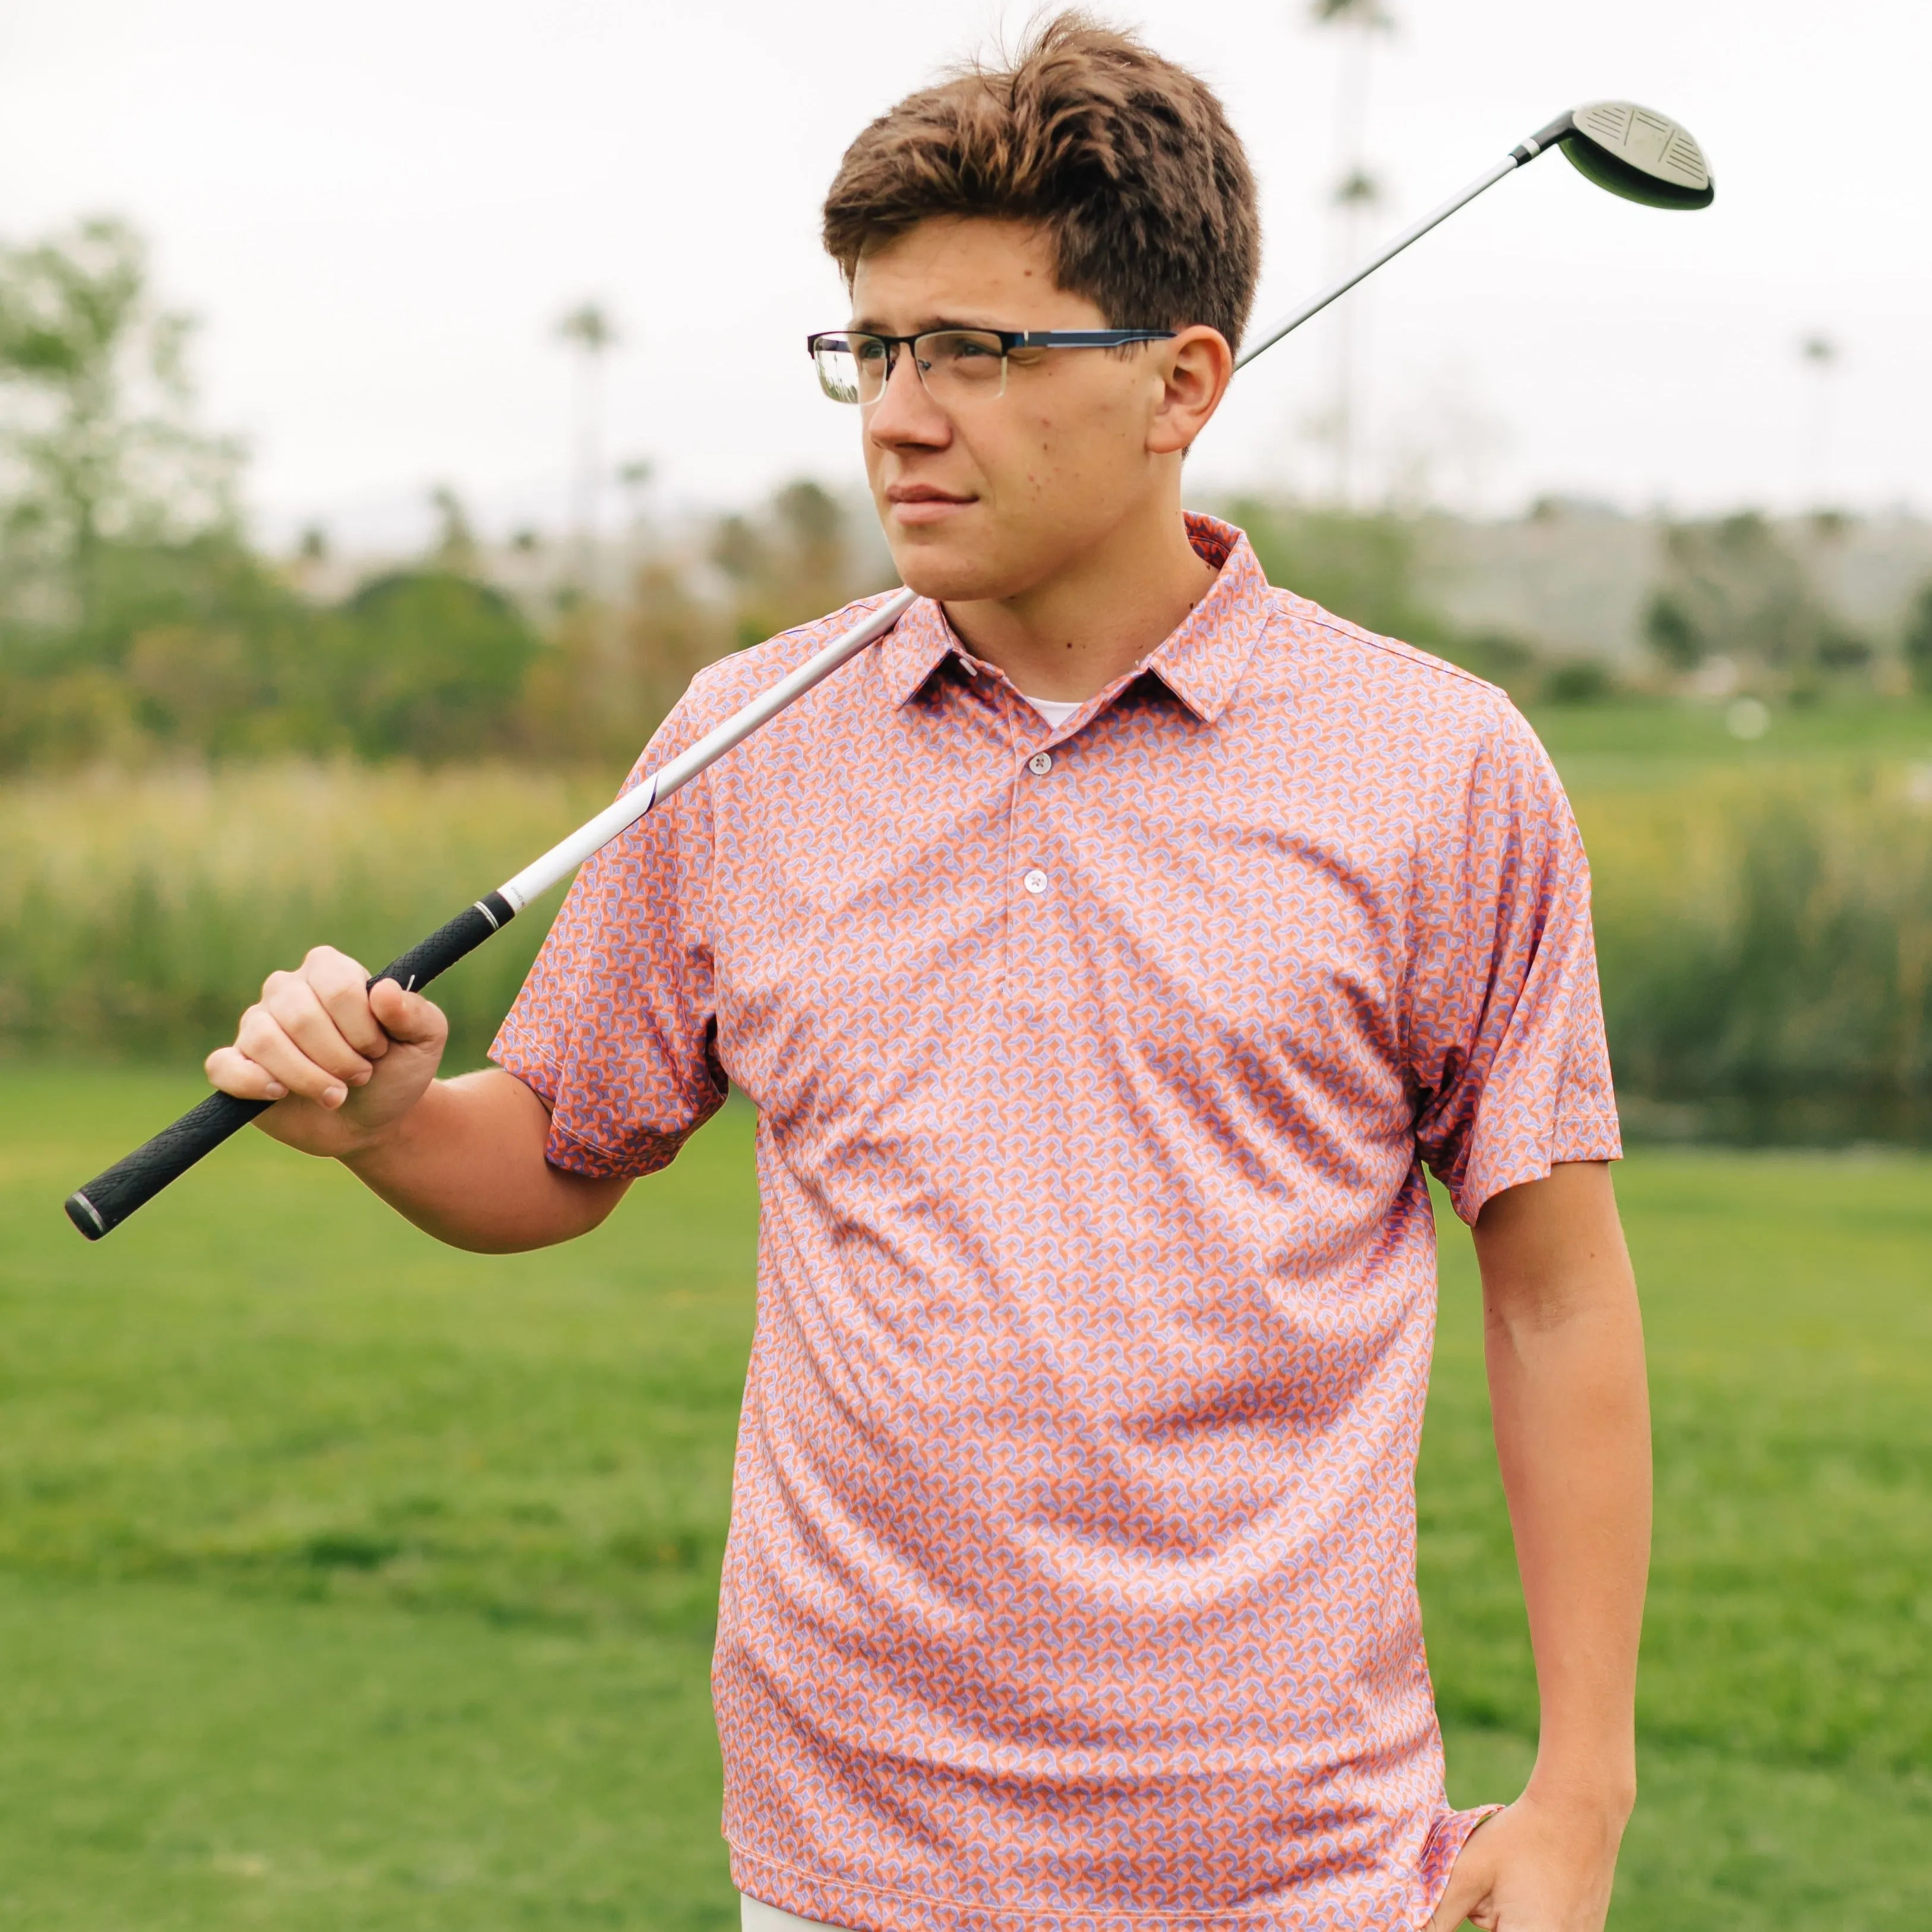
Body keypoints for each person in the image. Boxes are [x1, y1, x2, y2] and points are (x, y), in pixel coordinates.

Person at [206, 15, 1650, 1931]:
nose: (899, 410)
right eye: (875, 348)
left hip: (1284, 1867)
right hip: (841, 1865)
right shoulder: (744, 738)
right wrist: (389, 1121)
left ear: (1181, 381)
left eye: (978, 350)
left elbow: (1552, 1291)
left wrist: (1580, 1792)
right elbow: (555, 1145)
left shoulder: (1436, 766)